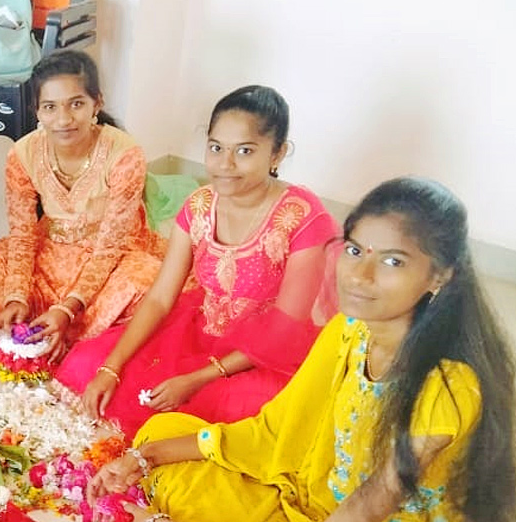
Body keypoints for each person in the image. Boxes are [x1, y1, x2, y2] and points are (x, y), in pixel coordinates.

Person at [88, 178, 515, 522]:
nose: (358, 275)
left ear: (440, 276)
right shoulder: (348, 332)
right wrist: (143, 457)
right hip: (308, 498)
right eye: (356, 250)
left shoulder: (445, 390)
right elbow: (273, 435)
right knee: (160, 431)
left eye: (393, 262)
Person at [57, 85, 339, 433]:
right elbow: (161, 298)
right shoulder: (199, 206)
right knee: (90, 364)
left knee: (244, 412)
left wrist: (196, 379)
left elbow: (284, 329)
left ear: (278, 154)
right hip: (200, 330)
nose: (225, 164)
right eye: (216, 148)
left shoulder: (304, 219)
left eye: (245, 151)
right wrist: (110, 368)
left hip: (265, 355)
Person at [0, 49, 171, 362]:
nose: (63, 120)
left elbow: (111, 248)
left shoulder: (125, 154)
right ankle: (51, 327)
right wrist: (16, 297)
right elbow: (23, 234)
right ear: (37, 111)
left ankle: (61, 328)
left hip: (111, 254)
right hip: (50, 250)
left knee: (144, 286)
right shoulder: (22, 153)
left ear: (98, 102)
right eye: (50, 107)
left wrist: (68, 307)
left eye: (77, 104)